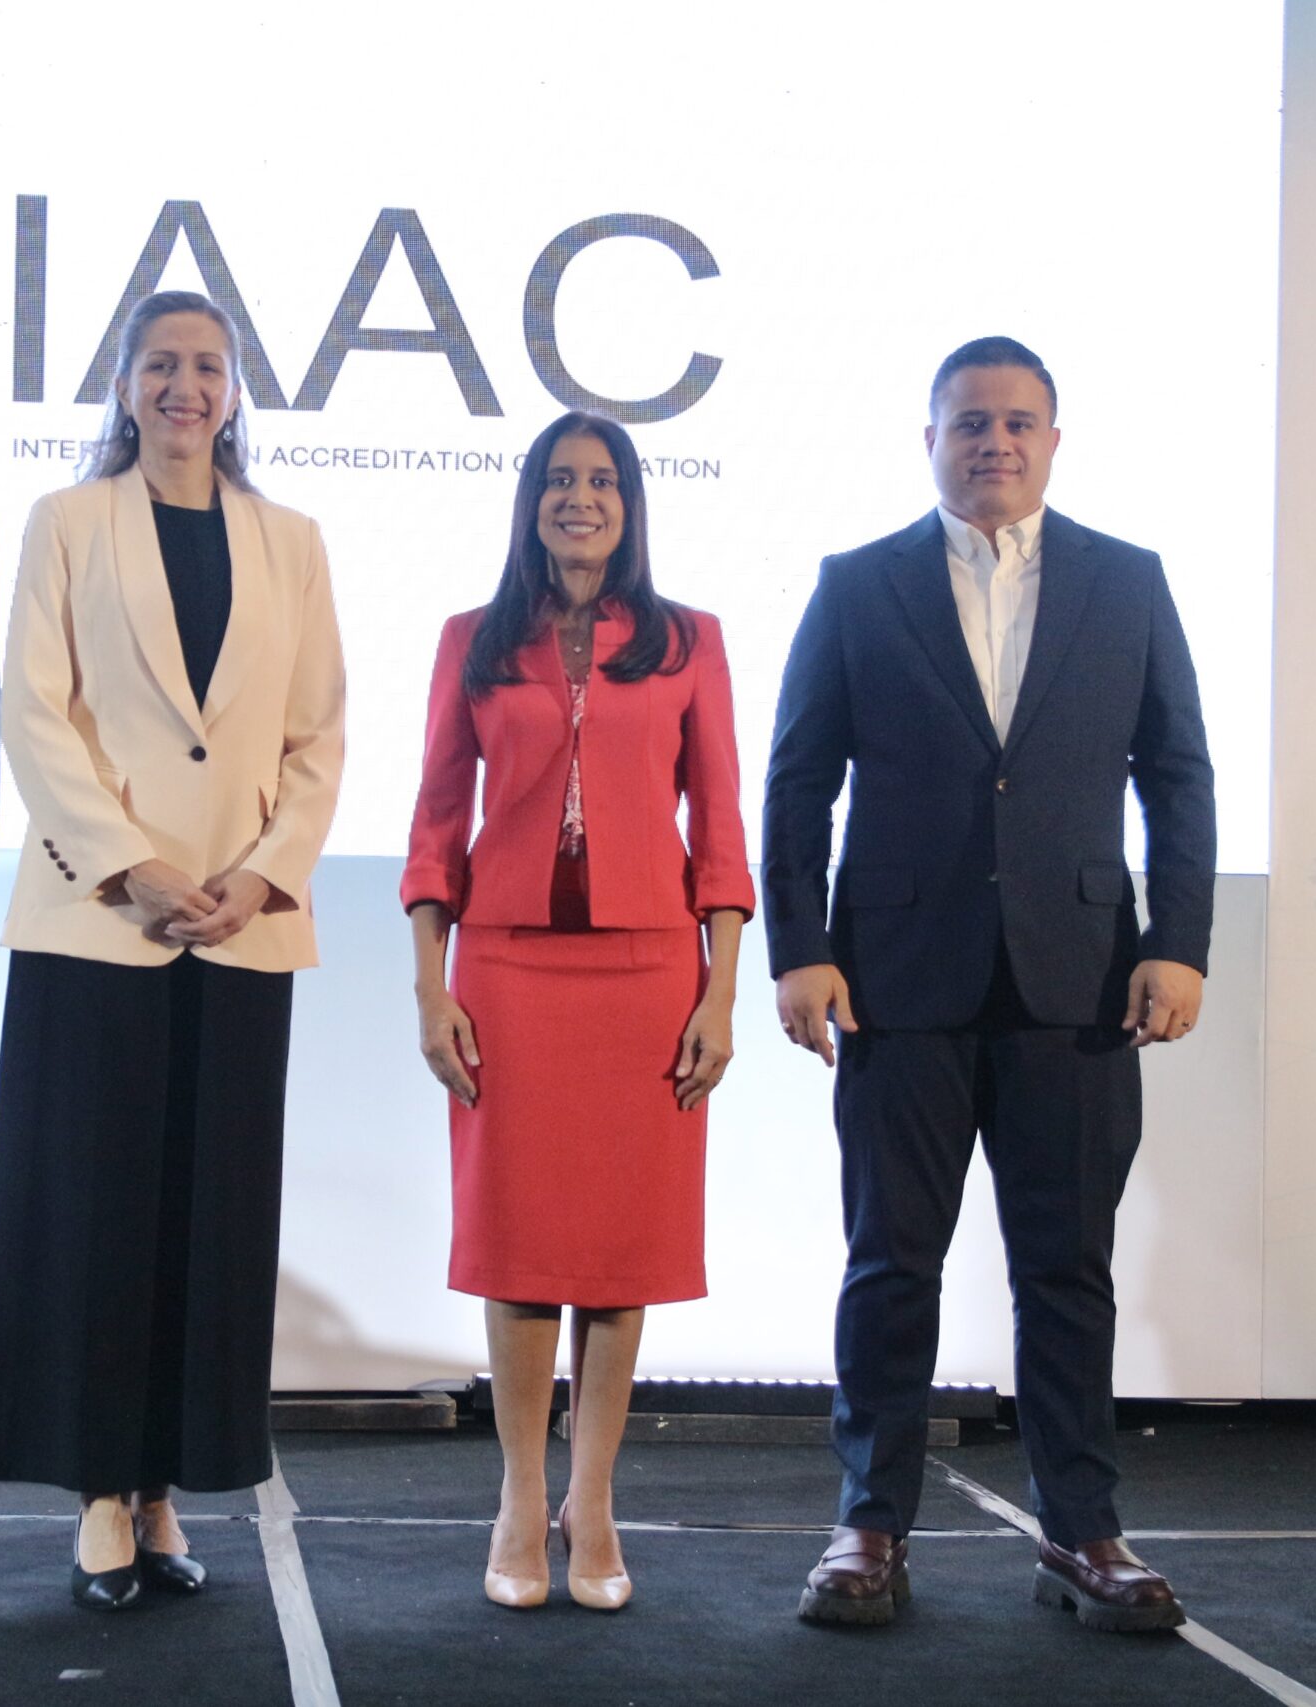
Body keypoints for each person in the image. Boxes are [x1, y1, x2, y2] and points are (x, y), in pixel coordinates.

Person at [764, 337, 1214, 1632]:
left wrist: (1176, 939)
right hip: (899, 980)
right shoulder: (859, 585)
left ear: (1054, 440)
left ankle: (1082, 1530)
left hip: (1080, 986)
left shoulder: (1128, 583)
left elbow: (1178, 775)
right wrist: (802, 945)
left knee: (1068, 1268)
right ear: (931, 438)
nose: (995, 441)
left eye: (1019, 422)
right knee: (889, 1265)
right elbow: (798, 780)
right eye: (971, 421)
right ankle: (870, 1523)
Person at [0, 290, 346, 1611]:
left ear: (236, 393)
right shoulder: (66, 524)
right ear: (125, 386)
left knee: (208, 1222)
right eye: (164, 365)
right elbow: (34, 710)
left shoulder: (291, 541)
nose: (187, 387)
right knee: (94, 1217)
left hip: (239, 931)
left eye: (210, 367)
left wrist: (256, 874)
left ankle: (170, 1483)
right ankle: (98, 1493)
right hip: (99, 921)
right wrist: (135, 863)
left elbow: (318, 734)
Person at [402, 411, 753, 1613]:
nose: (580, 498)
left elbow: (720, 832)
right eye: (560, 479)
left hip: (649, 974)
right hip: (505, 971)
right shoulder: (472, 641)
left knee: (615, 1255)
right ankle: (515, 1495)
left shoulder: (688, 641)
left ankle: (590, 1497)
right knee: (517, 1248)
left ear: (629, 502)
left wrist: (719, 988)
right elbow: (435, 827)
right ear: (531, 500)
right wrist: (428, 983)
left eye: (601, 481)